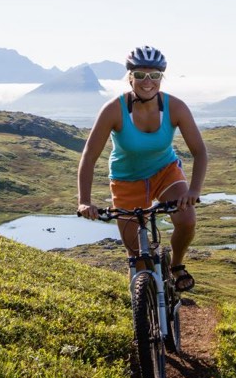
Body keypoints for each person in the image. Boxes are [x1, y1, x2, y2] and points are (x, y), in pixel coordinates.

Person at [77, 45, 207, 292]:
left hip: (165, 172)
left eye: (154, 75)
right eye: (140, 75)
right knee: (137, 257)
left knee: (187, 219)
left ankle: (176, 265)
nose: (147, 82)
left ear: (162, 78)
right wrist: (84, 201)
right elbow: (89, 156)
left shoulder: (175, 107)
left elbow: (200, 151)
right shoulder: (114, 109)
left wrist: (194, 190)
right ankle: (142, 315)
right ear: (130, 77)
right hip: (127, 181)